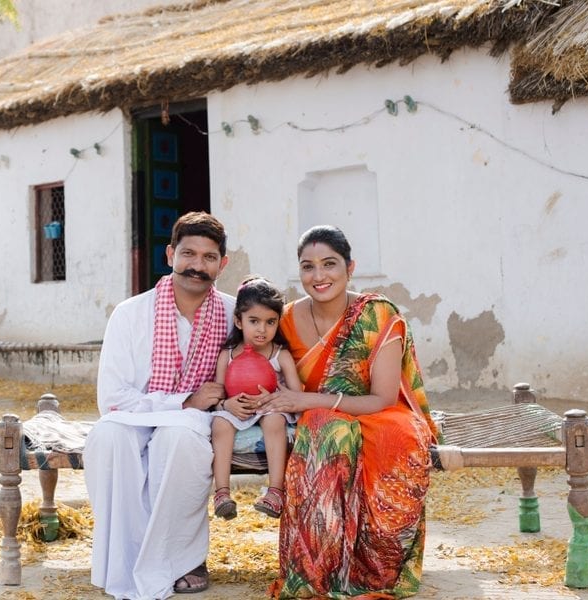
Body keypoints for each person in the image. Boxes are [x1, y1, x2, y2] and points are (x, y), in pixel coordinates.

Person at [255, 225, 439, 599]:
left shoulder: (377, 315)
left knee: (394, 437)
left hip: (377, 413)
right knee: (324, 429)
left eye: (329, 264)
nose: (319, 276)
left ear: (350, 267)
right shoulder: (285, 320)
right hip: (323, 417)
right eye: (308, 267)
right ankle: (315, 572)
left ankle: (374, 570)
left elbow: (383, 398)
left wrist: (310, 401)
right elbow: (255, 358)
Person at [84, 211, 236, 600]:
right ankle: (124, 559)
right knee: (107, 436)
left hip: (198, 421)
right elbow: (113, 398)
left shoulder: (236, 313)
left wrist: (195, 408)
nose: (197, 266)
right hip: (135, 416)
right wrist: (183, 400)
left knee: (178, 438)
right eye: (188, 254)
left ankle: (181, 559)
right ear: (170, 254)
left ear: (223, 263)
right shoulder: (130, 313)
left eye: (208, 257)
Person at [210, 276, 301, 521]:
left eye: (270, 322)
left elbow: (297, 395)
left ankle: (275, 491)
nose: (262, 329)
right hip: (237, 411)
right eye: (254, 321)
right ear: (238, 321)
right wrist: (226, 405)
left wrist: (272, 399)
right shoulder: (227, 355)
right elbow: (219, 393)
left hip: (272, 409)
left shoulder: (280, 355)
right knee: (219, 423)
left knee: (274, 421)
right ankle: (222, 494)